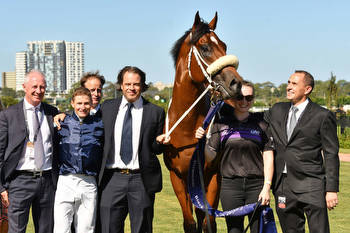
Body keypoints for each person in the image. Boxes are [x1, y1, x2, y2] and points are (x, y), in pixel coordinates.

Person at [264, 70, 339, 233]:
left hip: (312, 184)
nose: (288, 87)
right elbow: (250, 118)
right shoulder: (277, 109)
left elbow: (331, 154)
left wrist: (331, 189)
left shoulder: (323, 115)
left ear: (307, 89)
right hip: (283, 185)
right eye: (289, 82)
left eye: (294, 84)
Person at [195, 81, 274, 233]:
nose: (244, 101)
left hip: (256, 186)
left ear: (253, 99)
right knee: (234, 230)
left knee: (258, 230)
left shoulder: (262, 124)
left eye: (249, 98)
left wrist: (266, 187)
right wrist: (203, 142)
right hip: (230, 187)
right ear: (233, 98)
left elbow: (268, 156)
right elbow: (211, 157)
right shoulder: (221, 124)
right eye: (240, 97)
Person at [98, 66, 170, 233]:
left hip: (141, 180)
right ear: (121, 86)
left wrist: (160, 142)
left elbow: (155, 149)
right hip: (111, 179)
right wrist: (62, 115)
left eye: (136, 84)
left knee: (142, 228)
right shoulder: (106, 108)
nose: (131, 88)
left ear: (142, 86)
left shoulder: (156, 112)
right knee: (108, 228)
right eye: (127, 84)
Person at [0, 70, 59, 233]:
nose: (38, 91)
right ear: (24, 87)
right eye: (34, 86)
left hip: (47, 181)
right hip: (19, 182)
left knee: (46, 229)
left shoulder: (53, 112)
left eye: (42, 87)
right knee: (16, 230)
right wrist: (1, 187)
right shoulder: (8, 115)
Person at [53, 87, 103, 233]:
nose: (83, 107)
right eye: (79, 103)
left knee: (86, 229)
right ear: (72, 103)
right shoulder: (62, 123)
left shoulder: (99, 125)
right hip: (66, 181)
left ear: (91, 104)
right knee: (61, 228)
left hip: (88, 182)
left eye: (86, 103)